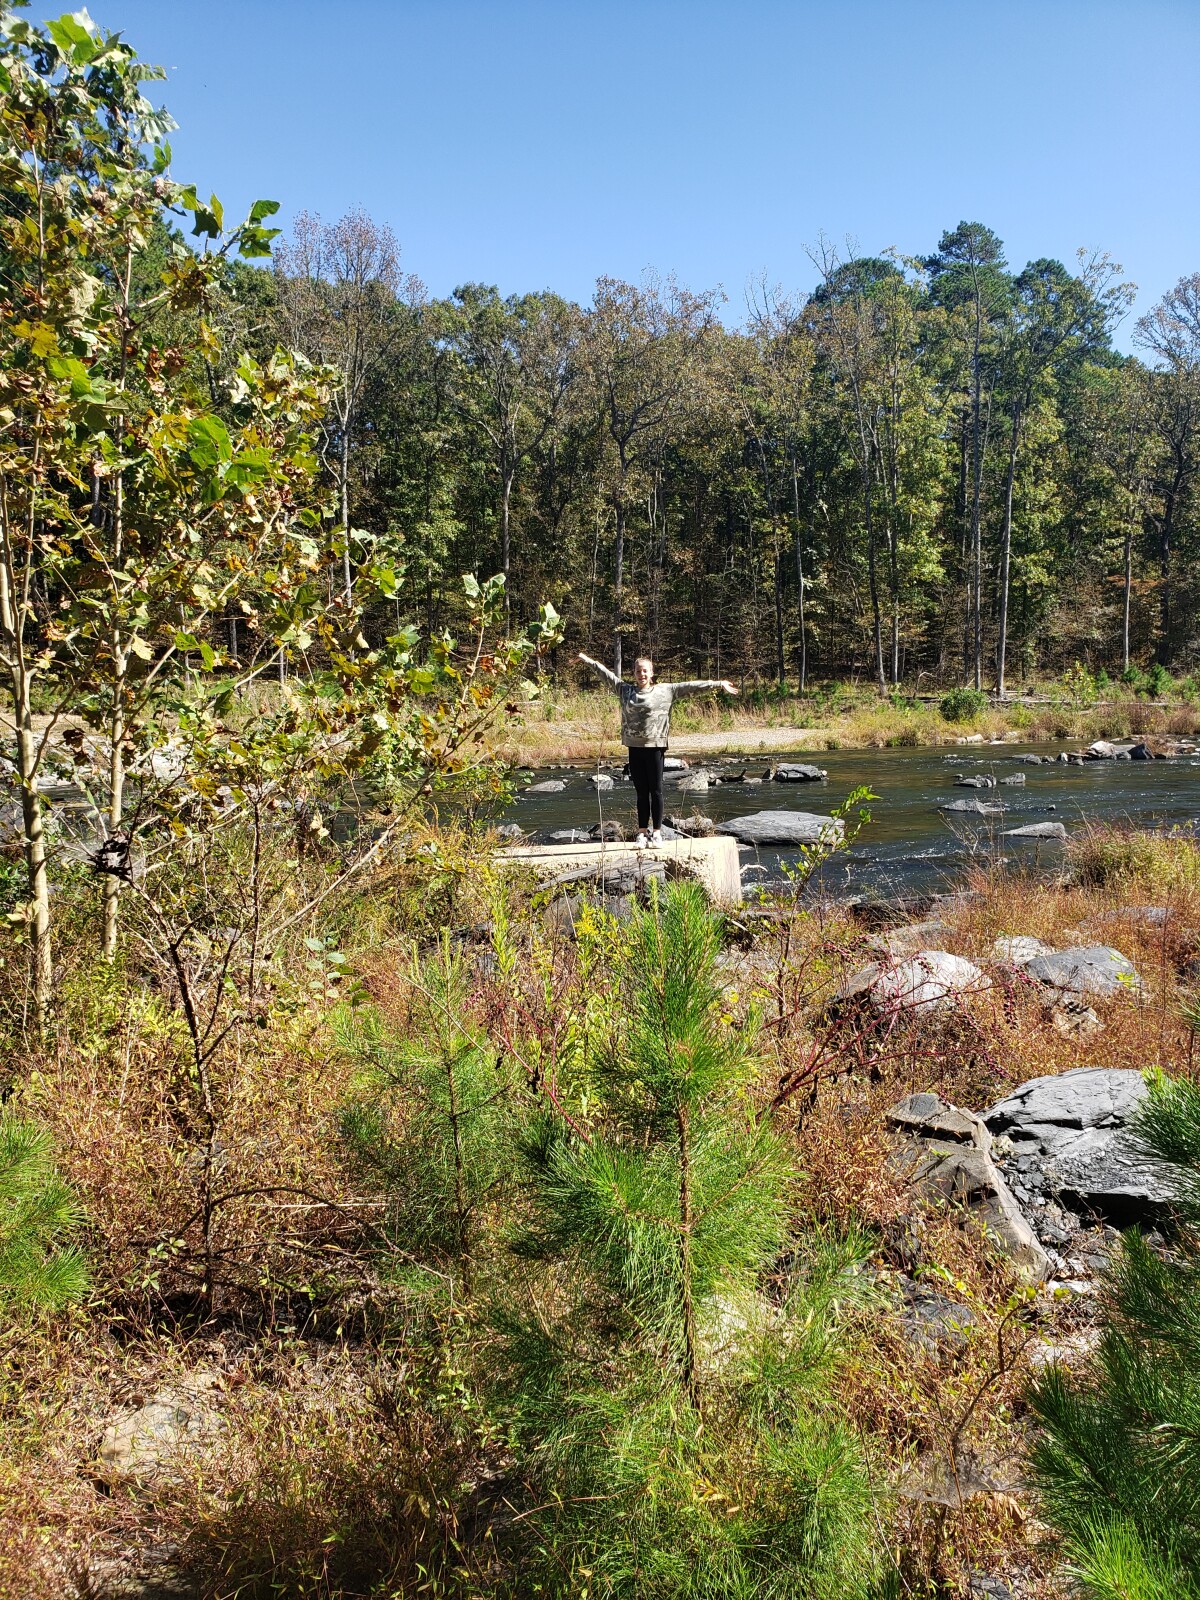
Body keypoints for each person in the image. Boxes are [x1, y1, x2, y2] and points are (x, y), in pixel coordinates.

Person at [577, 652, 738, 847]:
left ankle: (657, 833)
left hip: (656, 747)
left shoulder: (666, 691)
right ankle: (642, 834)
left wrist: (718, 683)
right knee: (641, 793)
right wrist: (587, 660)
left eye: (645, 671)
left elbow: (691, 687)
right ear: (634, 673)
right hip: (634, 748)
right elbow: (605, 675)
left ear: (651, 673)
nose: (641, 674)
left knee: (656, 791)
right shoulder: (625, 690)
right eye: (638, 671)